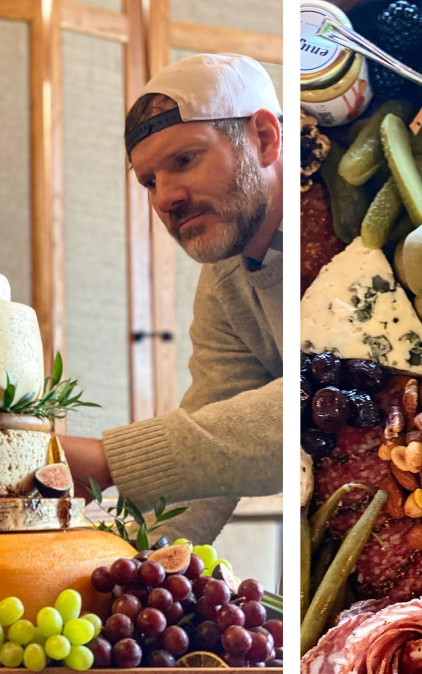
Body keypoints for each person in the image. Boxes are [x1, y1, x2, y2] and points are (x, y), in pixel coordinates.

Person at [59, 54, 283, 544]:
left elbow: (311, 405)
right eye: (149, 181)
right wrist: (123, 569)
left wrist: (108, 460)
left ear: (264, 139)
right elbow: (208, 458)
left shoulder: (328, 225)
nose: (164, 199)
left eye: (185, 160)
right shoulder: (224, 284)